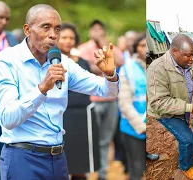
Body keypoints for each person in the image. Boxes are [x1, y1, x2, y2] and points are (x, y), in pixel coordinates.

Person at [0, 4, 119, 180]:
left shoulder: (62, 62)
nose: (53, 34)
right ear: (27, 29)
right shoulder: (6, 61)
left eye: (57, 29)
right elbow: (8, 118)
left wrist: (110, 74)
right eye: (46, 27)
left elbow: (107, 91)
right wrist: (42, 89)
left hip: (57, 158)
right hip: (23, 158)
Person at [147, 34, 193, 180]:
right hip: (166, 113)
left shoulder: (188, 64)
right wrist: (189, 107)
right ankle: (186, 167)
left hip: (184, 108)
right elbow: (158, 102)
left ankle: (186, 151)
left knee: (186, 133)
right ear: (174, 52)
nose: (192, 59)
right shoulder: (157, 69)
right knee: (187, 139)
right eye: (188, 56)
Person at [78, 19, 123, 180]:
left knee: (105, 140)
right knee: (90, 139)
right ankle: (89, 172)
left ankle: (103, 174)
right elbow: (82, 68)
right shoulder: (83, 48)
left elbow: (119, 62)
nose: (97, 32)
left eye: (100, 29)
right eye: (94, 29)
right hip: (91, 101)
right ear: (90, 32)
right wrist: (104, 68)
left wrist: (103, 44)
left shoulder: (109, 47)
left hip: (110, 101)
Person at [58, 23, 100, 180]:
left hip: (84, 115)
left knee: (82, 162)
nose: (68, 41)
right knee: (63, 160)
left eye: (71, 38)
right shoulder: (48, 62)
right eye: (64, 37)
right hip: (61, 115)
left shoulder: (82, 62)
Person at [0, 1, 19, 179]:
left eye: (7, 18)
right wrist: (0, 55)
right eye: (0, 17)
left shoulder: (12, 38)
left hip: (11, 99)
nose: (4, 22)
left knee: (8, 142)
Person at [118, 33, 147, 180]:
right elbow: (124, 103)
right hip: (133, 127)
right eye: (142, 45)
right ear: (136, 48)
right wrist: (141, 126)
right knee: (137, 167)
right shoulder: (127, 69)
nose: (146, 48)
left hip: (148, 128)